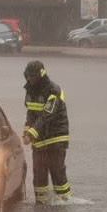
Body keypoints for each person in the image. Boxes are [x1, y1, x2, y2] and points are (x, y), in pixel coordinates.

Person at [22, 60, 72, 204]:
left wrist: (31, 134)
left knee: (57, 172)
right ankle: (41, 204)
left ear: (41, 75)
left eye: (33, 77)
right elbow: (31, 114)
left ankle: (64, 202)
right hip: (39, 140)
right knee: (39, 173)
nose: (30, 80)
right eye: (28, 77)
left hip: (56, 138)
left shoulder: (53, 91)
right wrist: (26, 131)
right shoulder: (30, 91)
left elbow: (46, 116)